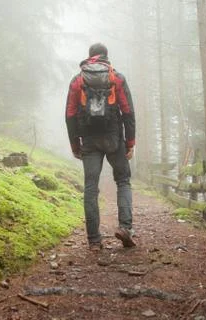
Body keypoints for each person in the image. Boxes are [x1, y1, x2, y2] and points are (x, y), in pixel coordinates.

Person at [65, 43, 136, 251]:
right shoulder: (117, 78)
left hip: (89, 139)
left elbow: (70, 115)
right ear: (106, 57)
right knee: (123, 180)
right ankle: (125, 228)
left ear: (89, 58)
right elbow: (128, 112)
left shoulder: (78, 80)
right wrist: (130, 143)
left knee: (90, 187)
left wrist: (74, 144)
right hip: (114, 137)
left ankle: (94, 241)